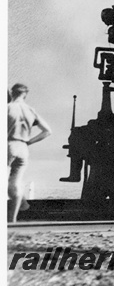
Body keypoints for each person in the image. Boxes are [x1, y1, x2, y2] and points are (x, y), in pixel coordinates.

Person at [7, 83, 52, 222]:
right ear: (25, 95)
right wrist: (29, 142)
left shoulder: (7, 108)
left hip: (8, 145)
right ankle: (12, 219)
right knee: (15, 182)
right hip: (23, 148)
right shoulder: (30, 110)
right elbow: (47, 131)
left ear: (11, 93)